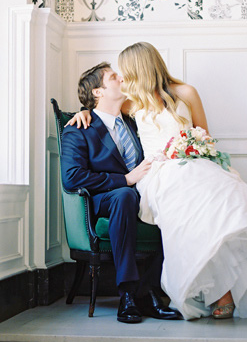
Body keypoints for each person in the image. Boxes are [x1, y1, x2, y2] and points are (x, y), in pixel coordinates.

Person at [68, 42, 247, 320]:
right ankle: (227, 279)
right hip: (159, 171)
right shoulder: (132, 102)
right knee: (190, 195)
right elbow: (103, 110)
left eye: (125, 72)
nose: (123, 78)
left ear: (141, 67)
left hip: (192, 162)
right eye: (118, 75)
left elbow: (205, 135)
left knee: (219, 187)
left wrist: (195, 149)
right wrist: (84, 111)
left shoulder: (186, 92)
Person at [60, 61, 181, 323]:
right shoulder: (78, 128)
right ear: (97, 92)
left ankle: (147, 290)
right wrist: (125, 179)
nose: (122, 78)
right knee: (124, 196)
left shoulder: (136, 122)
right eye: (114, 77)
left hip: (145, 192)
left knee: (178, 198)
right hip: (107, 199)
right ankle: (127, 293)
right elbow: (71, 178)